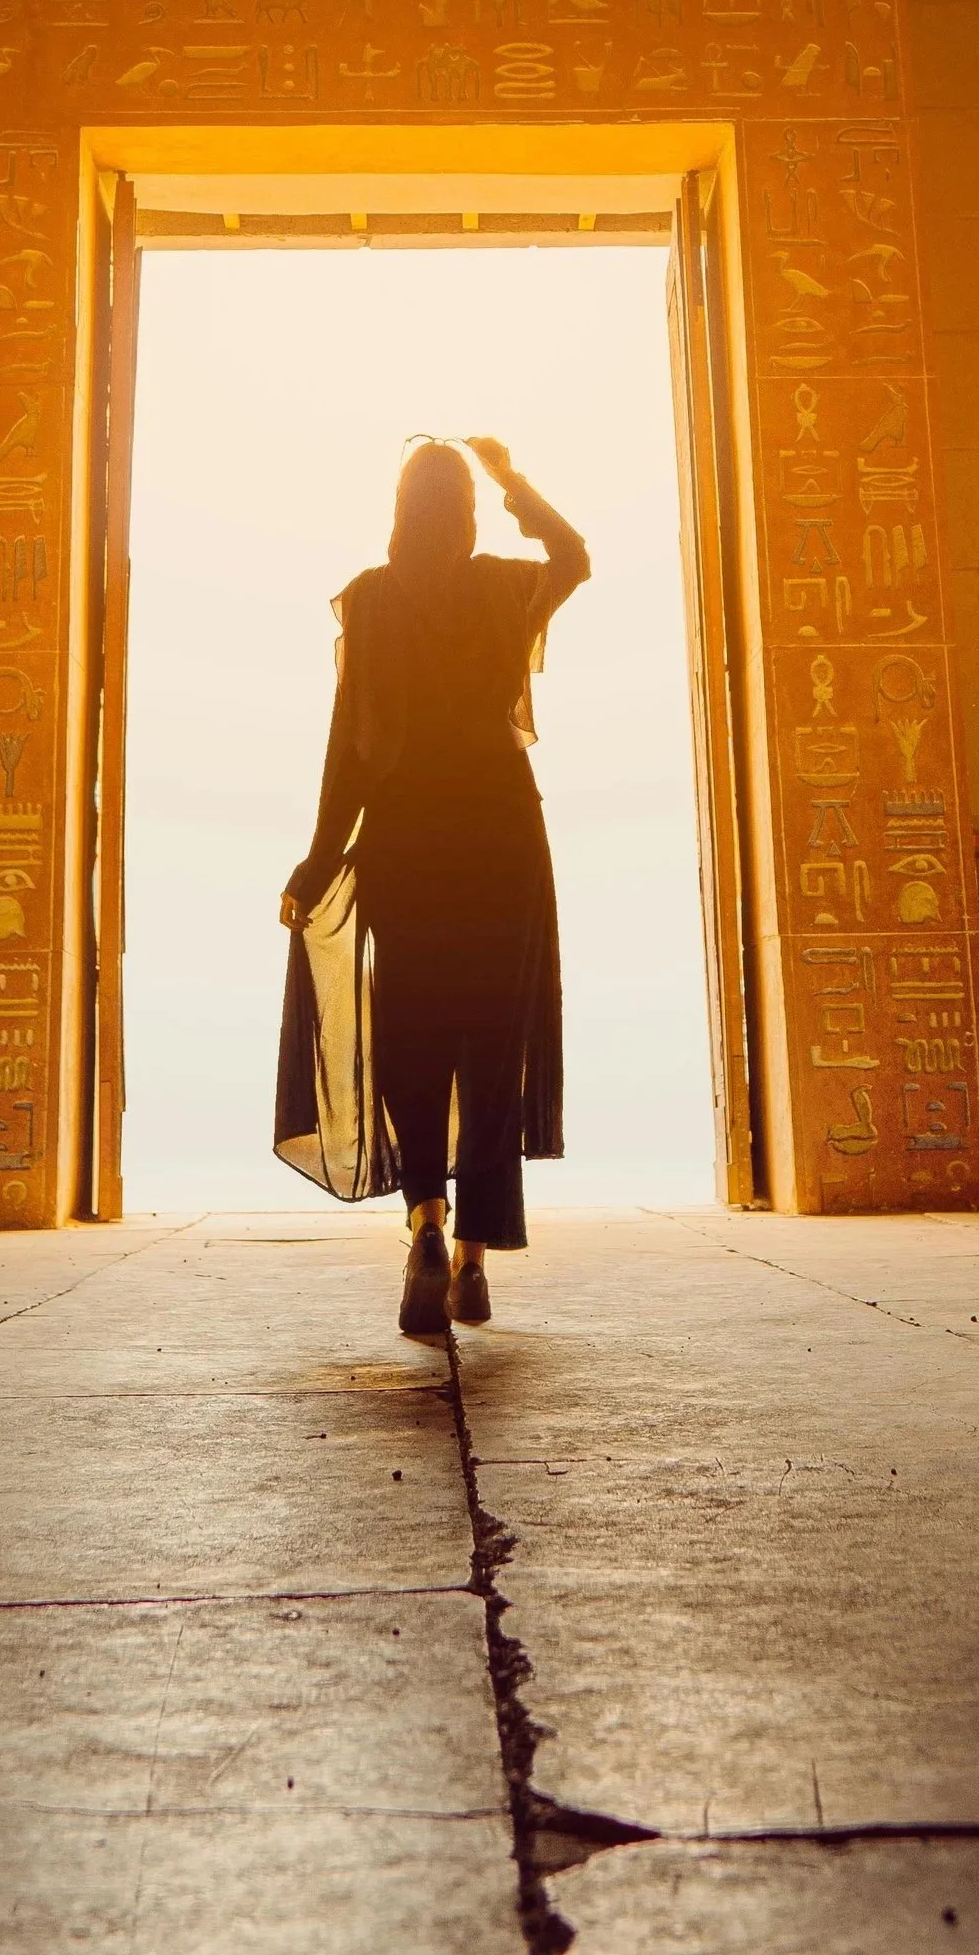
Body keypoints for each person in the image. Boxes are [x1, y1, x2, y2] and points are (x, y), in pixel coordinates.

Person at [274, 434, 589, 1338]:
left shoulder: (371, 601)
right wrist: (512, 476)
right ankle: (474, 1263)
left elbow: (348, 750)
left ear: (400, 511)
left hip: (407, 838)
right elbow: (574, 557)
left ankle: (424, 1224)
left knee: (413, 1035)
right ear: (470, 513)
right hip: (500, 836)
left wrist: (317, 861)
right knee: (493, 1046)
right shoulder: (503, 588)